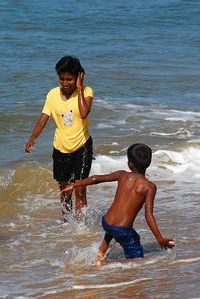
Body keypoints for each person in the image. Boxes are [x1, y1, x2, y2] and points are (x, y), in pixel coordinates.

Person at [60, 143, 174, 265]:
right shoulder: (149, 187)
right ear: (149, 163)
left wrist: (74, 184)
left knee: (122, 234)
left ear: (129, 163)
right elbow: (148, 215)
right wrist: (159, 238)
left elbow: (96, 179)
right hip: (122, 229)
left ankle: (101, 252)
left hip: (107, 222)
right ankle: (104, 263)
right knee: (136, 259)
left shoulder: (122, 175)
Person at [25, 56, 94, 220]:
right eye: (62, 79)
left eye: (69, 79)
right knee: (64, 188)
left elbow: (84, 113)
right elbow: (43, 119)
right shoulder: (52, 94)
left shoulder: (86, 92)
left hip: (82, 146)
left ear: (78, 76)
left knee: (80, 188)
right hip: (60, 147)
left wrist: (79, 87)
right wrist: (32, 138)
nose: (65, 83)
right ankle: (65, 221)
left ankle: (80, 226)